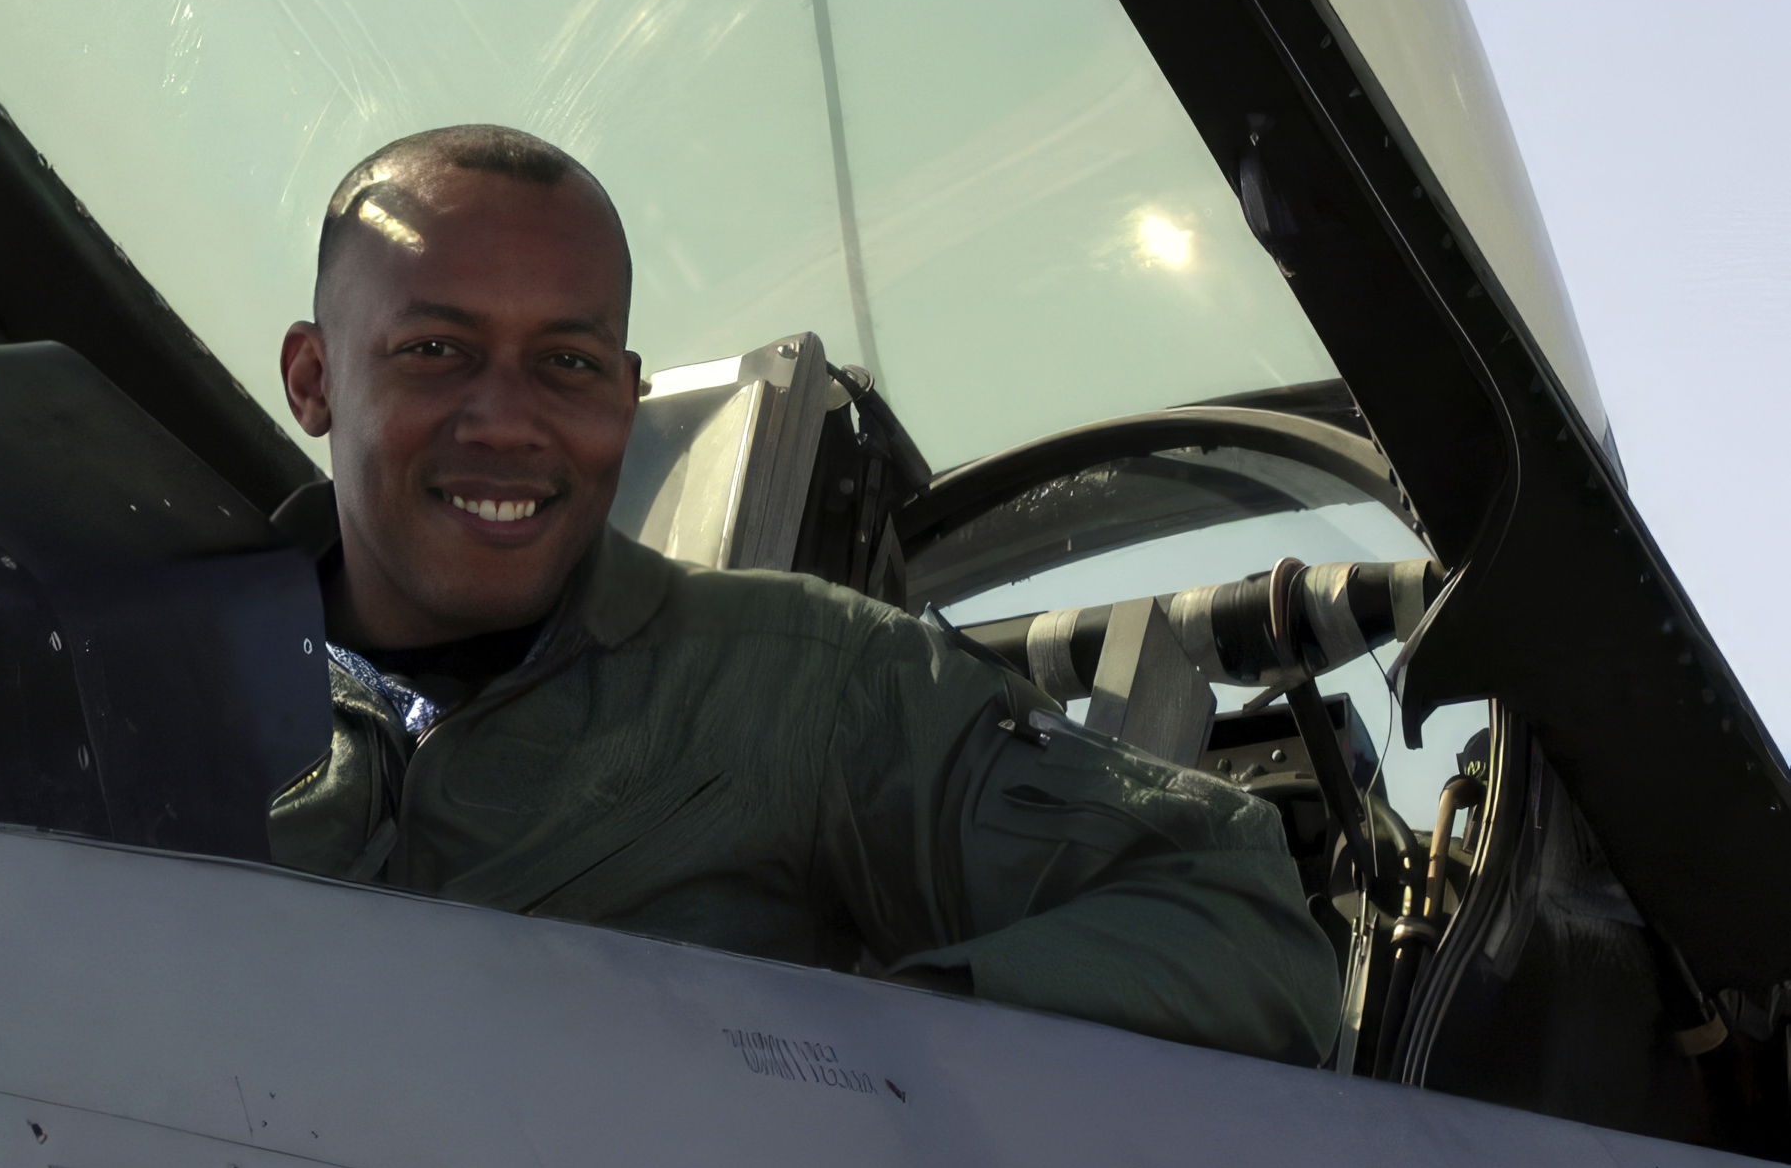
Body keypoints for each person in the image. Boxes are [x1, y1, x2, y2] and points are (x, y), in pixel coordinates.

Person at [267, 125, 1342, 1063]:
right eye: (436, 351)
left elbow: (1236, 921)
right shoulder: (134, 679)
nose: (506, 419)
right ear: (315, 378)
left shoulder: (800, 687)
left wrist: (842, 1061)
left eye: (569, 364)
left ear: (630, 395)